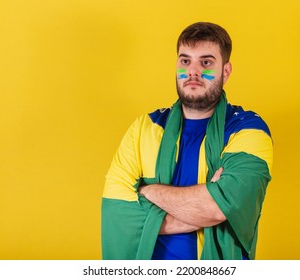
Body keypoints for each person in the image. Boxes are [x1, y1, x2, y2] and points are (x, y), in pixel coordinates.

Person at [101, 22, 273, 260]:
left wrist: (147, 192)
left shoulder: (248, 130)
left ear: (225, 71)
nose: (193, 71)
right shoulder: (143, 128)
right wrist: (204, 204)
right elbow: (116, 213)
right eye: (185, 61)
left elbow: (216, 207)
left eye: (206, 62)